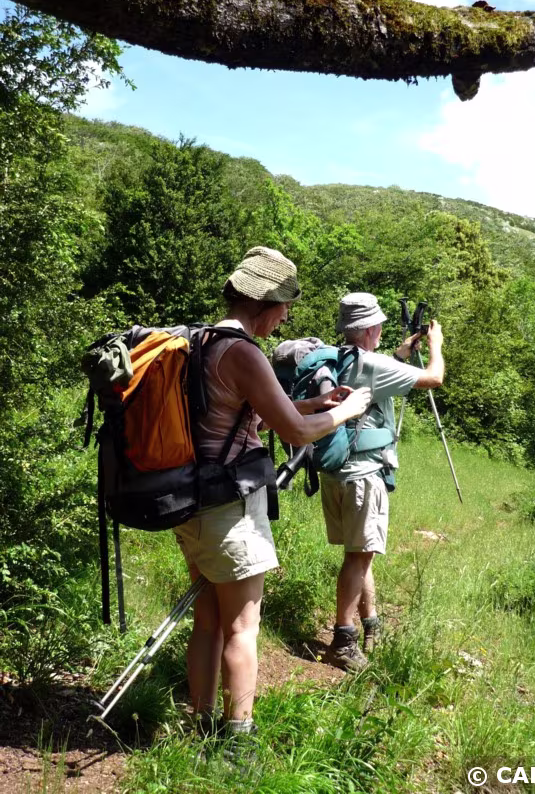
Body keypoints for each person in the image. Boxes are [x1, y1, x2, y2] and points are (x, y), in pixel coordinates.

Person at [173, 247, 371, 753]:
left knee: (208, 621)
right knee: (242, 627)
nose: (285, 317)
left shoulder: (199, 342)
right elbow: (296, 432)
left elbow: (252, 414)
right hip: (230, 508)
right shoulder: (243, 352)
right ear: (262, 303)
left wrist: (315, 401)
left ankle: (201, 723)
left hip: (192, 502)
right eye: (283, 306)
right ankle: (238, 744)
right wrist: (348, 412)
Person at [321, 292, 445, 672]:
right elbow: (434, 378)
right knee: (358, 557)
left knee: (361, 554)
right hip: (363, 478)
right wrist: (436, 345)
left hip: (337, 473)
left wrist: (402, 353)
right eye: (379, 326)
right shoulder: (373, 364)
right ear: (370, 329)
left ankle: (370, 623)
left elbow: (380, 375)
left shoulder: (340, 358)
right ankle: (343, 640)